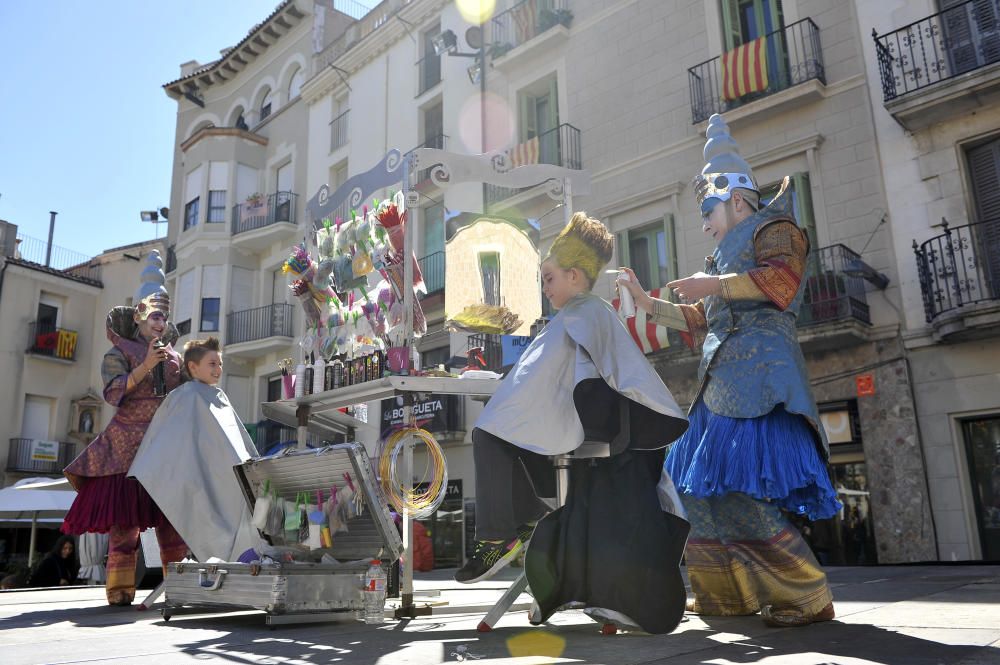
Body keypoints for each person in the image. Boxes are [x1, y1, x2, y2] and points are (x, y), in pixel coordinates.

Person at [619, 114, 841, 628]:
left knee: (740, 489)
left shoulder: (777, 228)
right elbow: (702, 319)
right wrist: (647, 303)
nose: (704, 224)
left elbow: (781, 285)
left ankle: (805, 593)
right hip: (720, 384)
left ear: (737, 201)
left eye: (708, 211)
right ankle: (727, 593)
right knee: (695, 492)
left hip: (761, 383)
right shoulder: (720, 260)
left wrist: (713, 285)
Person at [456, 212, 690, 634]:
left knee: (488, 433)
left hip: (587, 430)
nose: (544, 288)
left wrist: (521, 398)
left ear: (575, 276)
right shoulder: (579, 314)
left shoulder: (586, 315)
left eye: (549, 278)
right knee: (496, 432)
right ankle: (522, 525)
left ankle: (498, 536)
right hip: (574, 429)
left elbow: (581, 378)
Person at [61, 250, 188, 606]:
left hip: (165, 445)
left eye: (165, 316)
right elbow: (113, 393)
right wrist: (147, 364)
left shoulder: (175, 356)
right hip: (125, 447)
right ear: (140, 317)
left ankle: (177, 590)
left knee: (172, 523)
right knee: (124, 525)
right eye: (154, 316)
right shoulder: (119, 352)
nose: (160, 323)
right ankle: (119, 591)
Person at [129, 337, 262, 563]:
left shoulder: (219, 396)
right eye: (212, 364)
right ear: (193, 367)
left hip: (225, 474)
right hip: (199, 477)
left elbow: (234, 441)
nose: (218, 369)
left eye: (220, 364)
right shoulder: (185, 397)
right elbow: (176, 445)